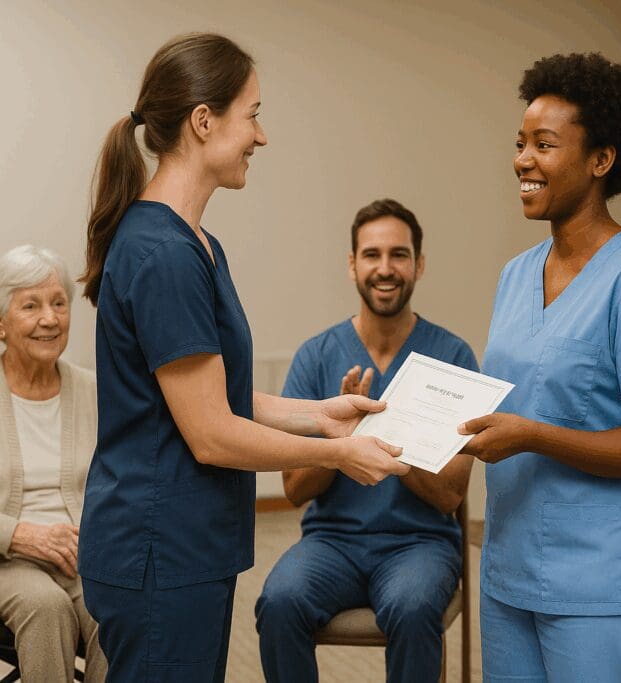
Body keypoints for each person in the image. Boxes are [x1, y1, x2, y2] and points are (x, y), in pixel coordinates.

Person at [76, 33, 408, 683]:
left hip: (188, 545)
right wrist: (338, 454)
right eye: (252, 114)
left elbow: (214, 397)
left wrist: (321, 414)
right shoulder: (163, 251)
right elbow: (210, 434)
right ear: (204, 121)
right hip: (158, 550)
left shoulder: (197, 242)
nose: (262, 136)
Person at [457, 52, 621, 682]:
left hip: (603, 581)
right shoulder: (515, 275)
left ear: (601, 161)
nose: (523, 160)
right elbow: (518, 390)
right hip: (510, 567)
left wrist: (532, 435)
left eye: (545, 144)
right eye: (520, 142)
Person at [256, 198, 478, 683]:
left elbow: (449, 494)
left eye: (398, 254)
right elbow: (294, 489)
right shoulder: (316, 356)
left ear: (418, 264)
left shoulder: (452, 356)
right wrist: (342, 444)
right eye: (371, 255)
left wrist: (382, 432)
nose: (385, 268)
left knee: (414, 607)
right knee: (278, 602)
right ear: (352, 265)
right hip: (332, 543)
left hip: (419, 544)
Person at [0, 246, 106, 682]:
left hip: (84, 557)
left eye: (59, 303)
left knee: (118, 608)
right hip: (7, 561)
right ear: (1, 322)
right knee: (47, 609)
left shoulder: (95, 391)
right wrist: (17, 533)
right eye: (31, 305)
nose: (50, 318)